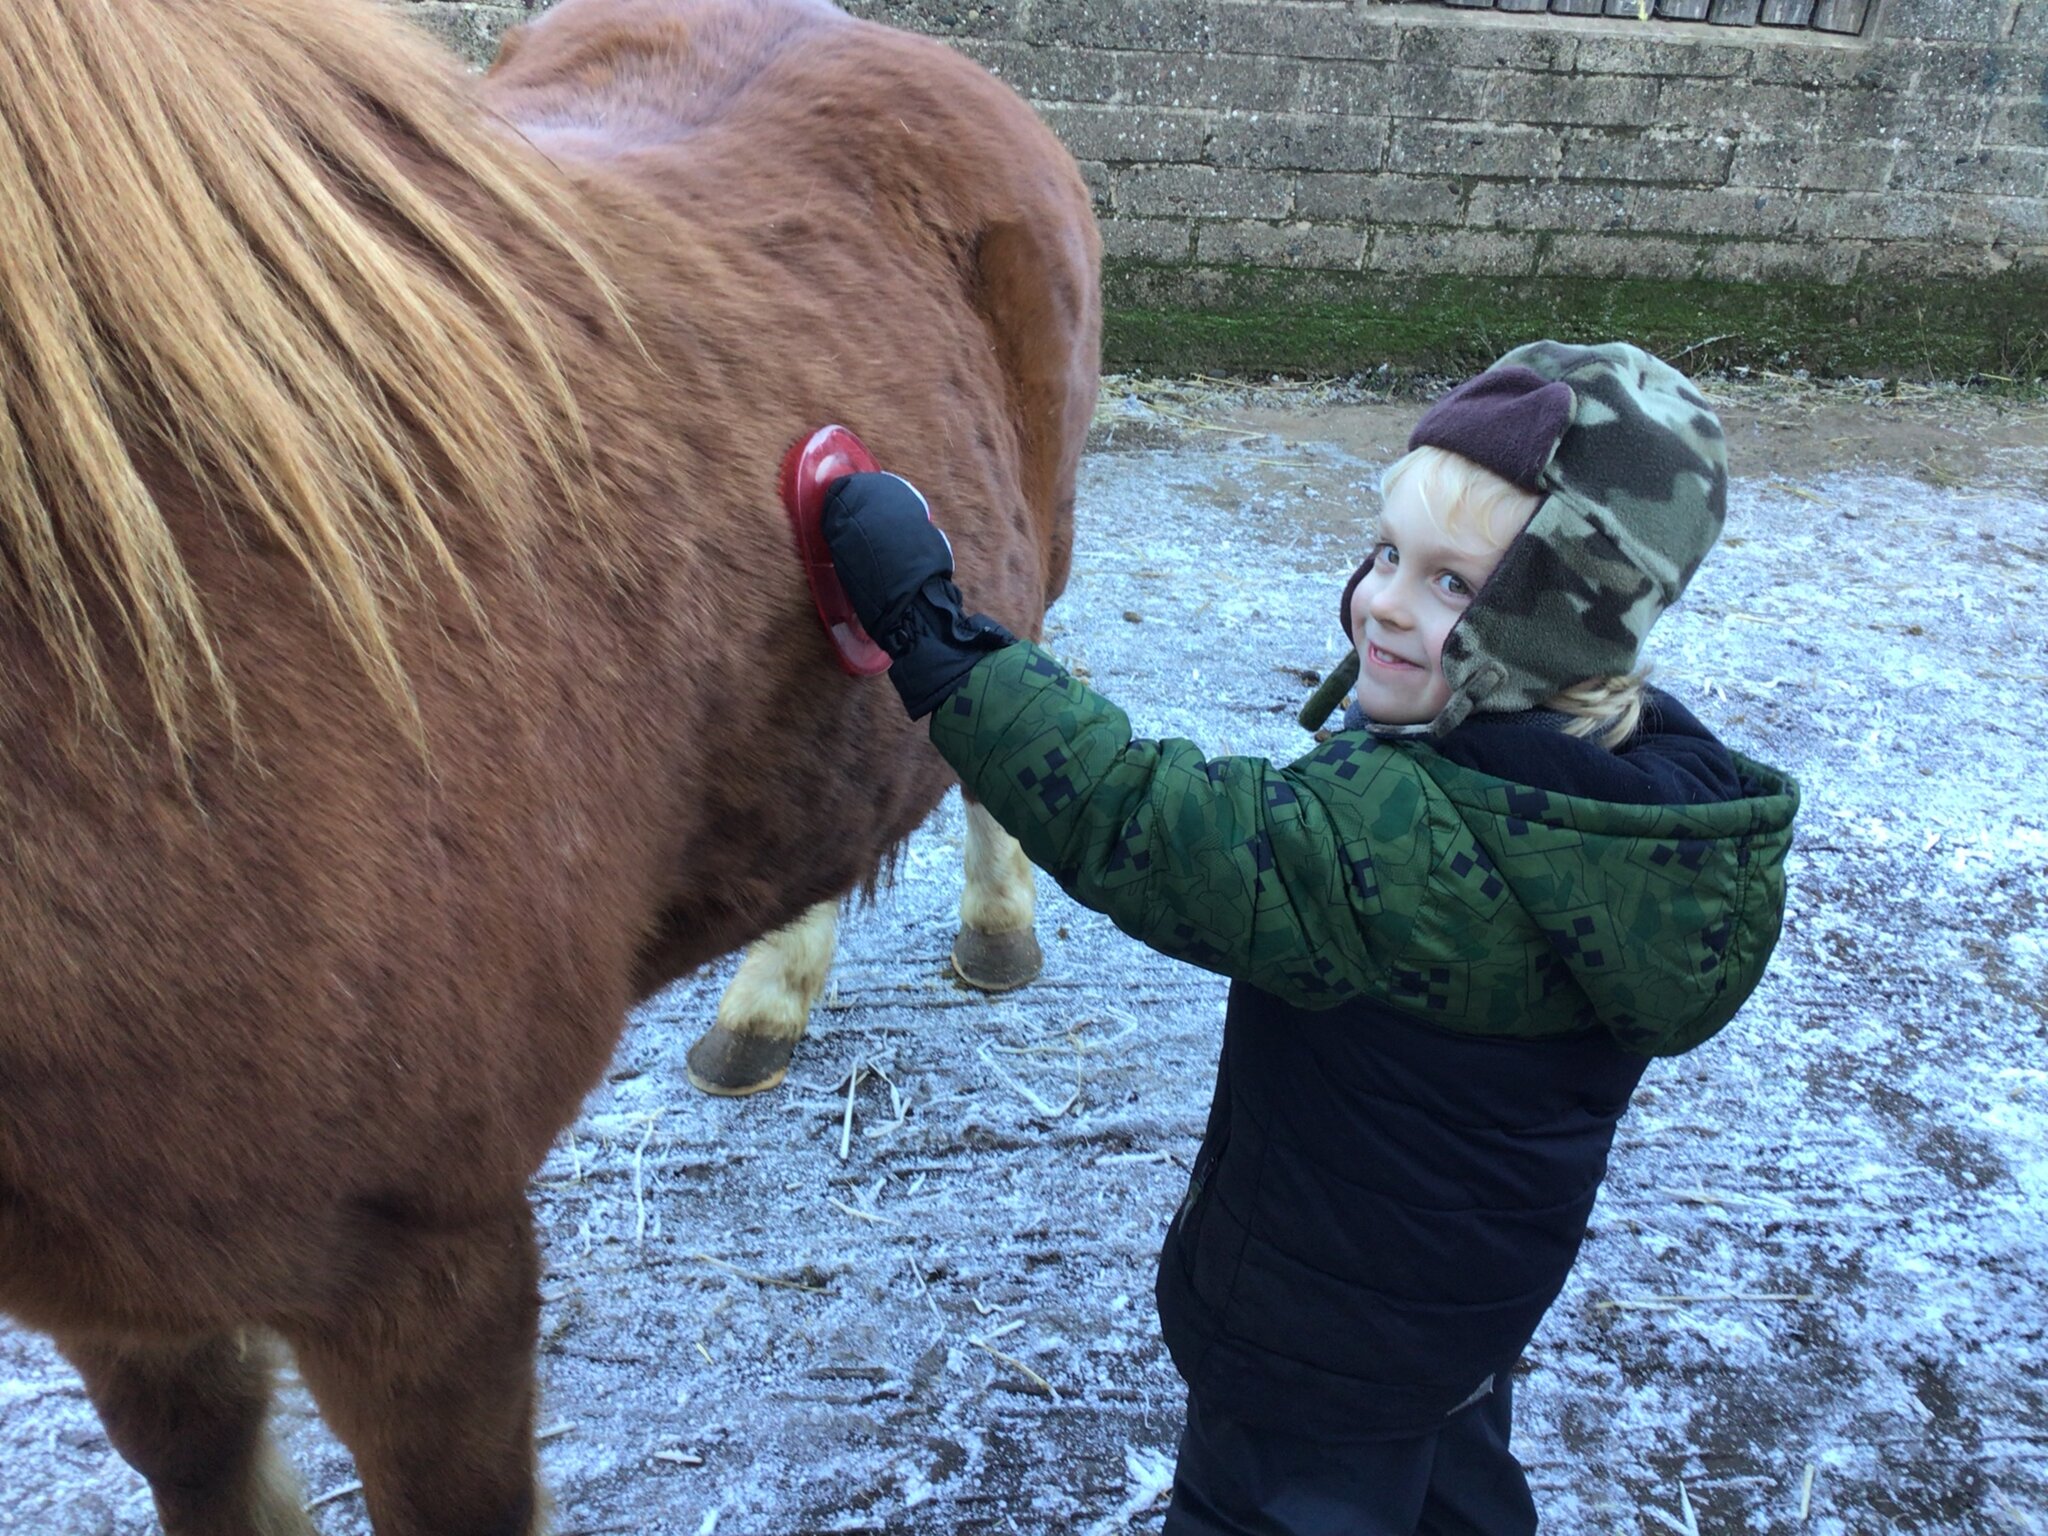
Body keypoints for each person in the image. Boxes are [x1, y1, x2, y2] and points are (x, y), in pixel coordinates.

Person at [817, 340, 1800, 1535]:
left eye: (1453, 586)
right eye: (1388, 553)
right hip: (1460, 1316)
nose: (1383, 599)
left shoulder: (1411, 843)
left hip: (1315, 1344)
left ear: (1558, 623)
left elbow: (1148, 814)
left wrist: (931, 631)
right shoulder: (1622, 799)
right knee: (1447, 1487)